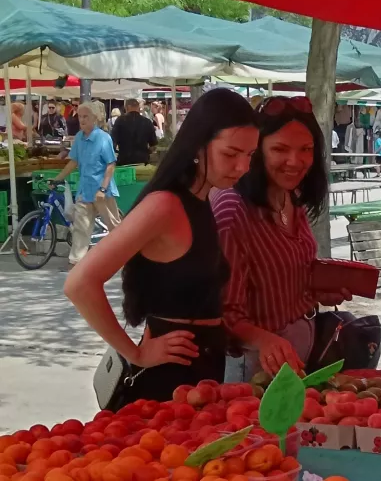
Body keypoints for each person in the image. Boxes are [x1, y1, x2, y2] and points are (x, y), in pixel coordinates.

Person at [63, 89, 258, 406]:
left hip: (202, 371)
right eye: (231, 153)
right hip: (169, 379)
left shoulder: (201, 199)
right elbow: (79, 283)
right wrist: (135, 352)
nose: (242, 167)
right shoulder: (165, 205)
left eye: (250, 156)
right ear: (198, 145)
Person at [211, 96, 350, 381]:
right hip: (252, 368)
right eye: (280, 149)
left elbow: (274, 277)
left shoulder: (290, 196)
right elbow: (223, 313)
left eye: (306, 149)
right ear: (256, 151)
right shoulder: (232, 211)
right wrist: (264, 340)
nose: (295, 161)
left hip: (296, 358)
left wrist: (315, 290)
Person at [50, 102, 122, 265]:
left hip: (102, 191)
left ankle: (127, 256)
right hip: (85, 190)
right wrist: (58, 178)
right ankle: (76, 261)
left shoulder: (103, 138)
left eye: (85, 117)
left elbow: (111, 164)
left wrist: (103, 188)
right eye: (80, 116)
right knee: (80, 228)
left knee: (114, 227)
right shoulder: (79, 139)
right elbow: (73, 162)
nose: (81, 120)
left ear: (94, 119)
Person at [113, 98, 158, 166]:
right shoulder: (147, 122)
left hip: (124, 161)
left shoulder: (120, 121)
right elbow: (153, 146)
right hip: (142, 161)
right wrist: (146, 152)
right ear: (138, 107)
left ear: (126, 107)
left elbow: (113, 142)